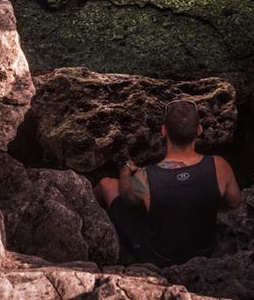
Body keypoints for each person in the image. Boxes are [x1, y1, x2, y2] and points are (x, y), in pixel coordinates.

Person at [94, 98, 241, 265]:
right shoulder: (220, 166)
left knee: (106, 184)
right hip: (204, 252)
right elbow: (234, 202)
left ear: (163, 131)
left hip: (158, 257)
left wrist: (125, 169)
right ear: (199, 130)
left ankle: (95, 236)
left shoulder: (145, 177)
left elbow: (127, 197)